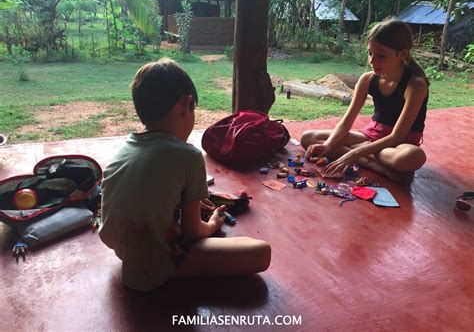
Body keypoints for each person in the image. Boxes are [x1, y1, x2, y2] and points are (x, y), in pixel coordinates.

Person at [99, 58, 271, 291]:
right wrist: (212, 223)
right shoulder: (189, 156)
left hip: (122, 250)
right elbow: (193, 230)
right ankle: (170, 269)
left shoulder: (124, 149)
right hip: (157, 263)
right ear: (186, 104)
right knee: (260, 253)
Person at [301, 19, 429, 180]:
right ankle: (370, 163)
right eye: (370, 53)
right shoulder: (367, 79)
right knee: (309, 138)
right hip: (370, 136)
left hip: (399, 145)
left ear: (402, 54)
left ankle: (359, 154)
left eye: (381, 55)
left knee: (413, 157)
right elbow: (347, 122)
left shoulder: (415, 85)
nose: (372, 61)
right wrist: (327, 145)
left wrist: (354, 153)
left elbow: (397, 136)